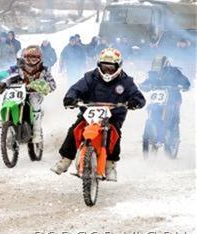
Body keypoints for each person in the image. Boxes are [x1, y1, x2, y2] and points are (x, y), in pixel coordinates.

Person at [51, 48, 146, 181]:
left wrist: (134, 102)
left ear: (118, 67)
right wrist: (71, 98)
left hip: (113, 115)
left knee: (114, 134)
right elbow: (75, 89)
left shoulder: (126, 81)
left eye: (111, 68)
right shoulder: (90, 77)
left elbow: (138, 96)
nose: (107, 71)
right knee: (75, 130)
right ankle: (65, 160)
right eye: (104, 67)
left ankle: (110, 165)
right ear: (99, 65)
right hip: (89, 113)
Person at [0, 45, 56, 142]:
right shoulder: (19, 68)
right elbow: (9, 72)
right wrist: (1, 77)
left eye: (33, 59)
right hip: (19, 90)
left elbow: (53, 84)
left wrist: (45, 86)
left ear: (39, 59)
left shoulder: (44, 70)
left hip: (35, 93)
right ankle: (4, 119)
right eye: (28, 59)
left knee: (34, 102)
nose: (30, 62)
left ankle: (37, 132)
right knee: (7, 95)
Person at [139, 56, 190, 152]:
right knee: (151, 107)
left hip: (173, 97)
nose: (157, 70)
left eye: (159, 68)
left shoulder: (174, 72)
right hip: (158, 99)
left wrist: (184, 86)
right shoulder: (152, 74)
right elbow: (147, 82)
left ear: (165, 66)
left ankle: (173, 134)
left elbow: (185, 81)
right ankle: (151, 131)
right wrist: (144, 85)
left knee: (172, 114)